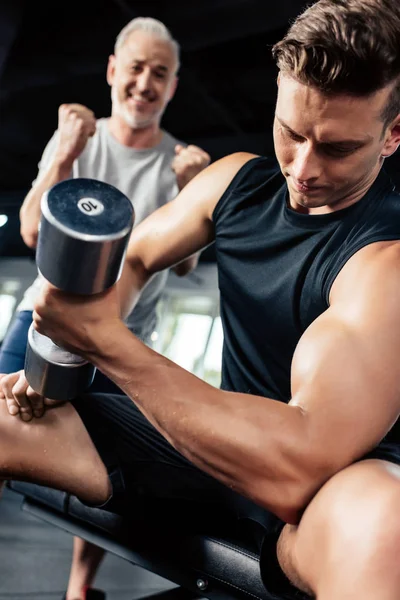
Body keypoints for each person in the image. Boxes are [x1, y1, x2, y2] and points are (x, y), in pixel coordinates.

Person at [1, 0, 400, 598]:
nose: (303, 167)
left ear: (393, 134)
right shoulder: (236, 182)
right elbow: (132, 260)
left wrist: (103, 342)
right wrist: (61, 358)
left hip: (320, 493)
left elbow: (298, 466)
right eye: (291, 132)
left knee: (379, 519)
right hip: (206, 444)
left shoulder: (385, 260)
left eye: (338, 148)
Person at [0, 16, 210, 600]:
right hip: (41, 319)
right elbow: (29, 230)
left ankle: (78, 589)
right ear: (113, 72)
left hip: (124, 339)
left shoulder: (180, 163)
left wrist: (193, 191)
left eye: (160, 74)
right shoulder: (80, 139)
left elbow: (188, 268)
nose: (145, 83)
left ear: (171, 88)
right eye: (136, 68)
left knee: (98, 461)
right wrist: (65, 153)